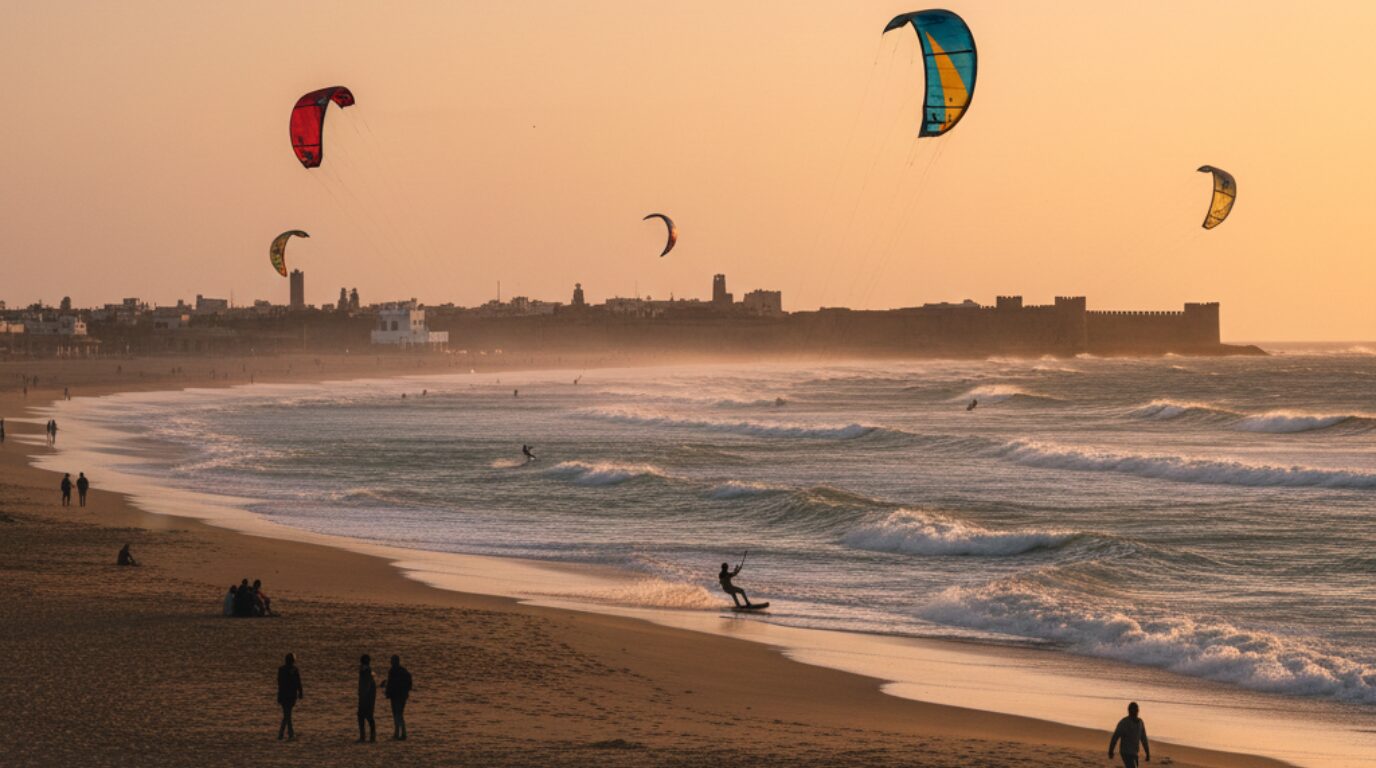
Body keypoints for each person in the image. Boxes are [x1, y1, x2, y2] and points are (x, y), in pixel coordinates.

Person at [1108, 701, 1151, 767]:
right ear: (1129, 711)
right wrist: (1111, 751)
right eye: (1132, 710)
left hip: (1135, 752)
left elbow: (1144, 739)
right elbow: (1115, 737)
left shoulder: (1140, 723)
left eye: (1136, 710)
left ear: (1138, 710)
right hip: (1125, 751)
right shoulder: (1124, 722)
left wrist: (1147, 753)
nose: (1135, 712)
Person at [277, 653, 304, 740]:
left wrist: (300, 692)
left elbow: (280, 684)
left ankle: (282, 734)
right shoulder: (294, 670)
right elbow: (297, 682)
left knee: (287, 714)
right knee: (287, 714)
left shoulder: (282, 669)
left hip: (285, 695)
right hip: (289, 695)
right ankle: (290, 733)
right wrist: (300, 692)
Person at [384, 655, 412, 740]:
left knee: (397, 714)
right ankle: (401, 733)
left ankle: (399, 733)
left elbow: (391, 683)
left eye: (392, 661)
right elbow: (408, 684)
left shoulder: (393, 671)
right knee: (399, 714)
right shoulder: (404, 671)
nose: (391, 662)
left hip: (396, 696)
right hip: (401, 695)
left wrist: (387, 692)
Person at [357, 654, 378, 743]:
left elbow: (366, 685)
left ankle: (366, 736)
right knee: (365, 715)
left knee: (365, 715)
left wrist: (363, 695)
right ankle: (369, 736)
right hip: (367, 697)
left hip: (366, 697)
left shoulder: (366, 671)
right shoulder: (368, 671)